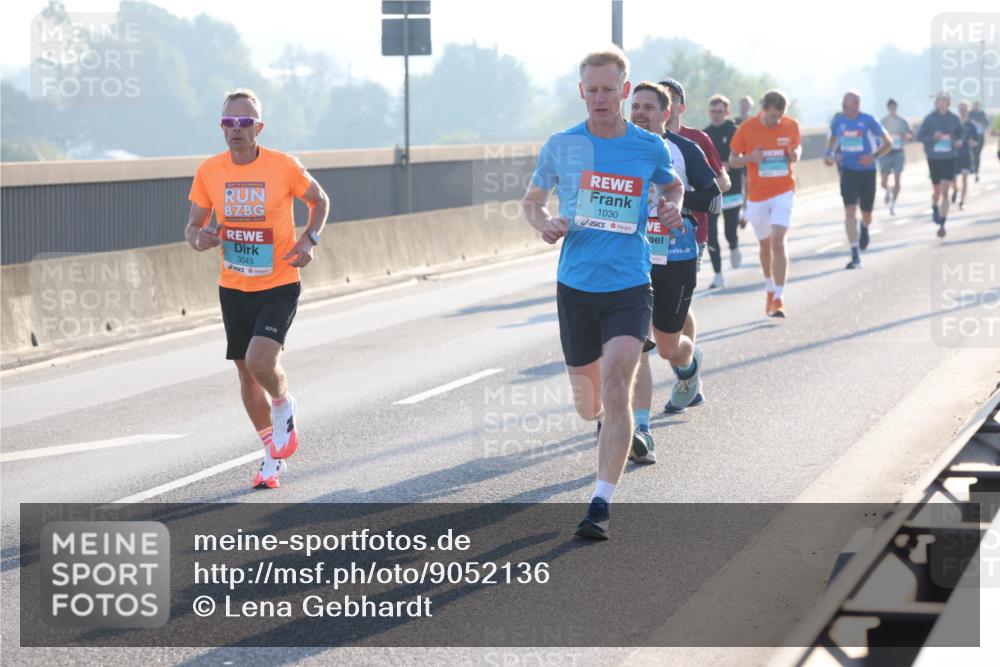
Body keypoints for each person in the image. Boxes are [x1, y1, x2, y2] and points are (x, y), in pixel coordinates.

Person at [522, 49, 683, 540]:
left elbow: (671, 187)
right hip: (576, 286)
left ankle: (600, 503)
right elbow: (531, 201)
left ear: (625, 90)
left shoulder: (647, 146)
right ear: (581, 92)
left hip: (630, 284)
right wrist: (544, 223)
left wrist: (672, 207)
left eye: (609, 89)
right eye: (591, 89)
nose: (600, 98)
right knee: (589, 403)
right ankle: (602, 423)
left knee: (618, 389)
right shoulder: (562, 145)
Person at [186, 89, 330, 489]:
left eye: (245, 122)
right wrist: (199, 238)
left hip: (279, 283)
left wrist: (308, 239)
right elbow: (193, 226)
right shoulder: (209, 171)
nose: (237, 129)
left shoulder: (283, 166)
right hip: (233, 287)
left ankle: (284, 404)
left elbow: (319, 200)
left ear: (258, 127)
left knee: (261, 362)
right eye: (229, 123)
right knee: (246, 374)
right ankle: (272, 457)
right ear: (221, 127)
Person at [629, 82, 720, 462]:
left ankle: (690, 360)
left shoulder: (684, 149)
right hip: (631, 260)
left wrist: (675, 205)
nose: (640, 113)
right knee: (636, 345)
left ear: (667, 114)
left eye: (649, 107)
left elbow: (714, 198)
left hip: (677, 257)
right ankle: (640, 429)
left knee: (668, 346)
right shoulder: (620, 148)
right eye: (634, 106)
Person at [729, 90, 801, 318]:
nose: (774, 121)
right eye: (770, 116)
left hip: (784, 191)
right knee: (765, 245)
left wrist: (795, 154)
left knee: (778, 243)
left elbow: (797, 146)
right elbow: (732, 160)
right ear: (763, 108)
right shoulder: (747, 128)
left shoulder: (791, 126)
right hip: (757, 196)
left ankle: (779, 298)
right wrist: (751, 158)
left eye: (778, 117)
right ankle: (770, 286)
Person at [824, 91, 894, 269]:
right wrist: (830, 154)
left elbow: (888, 142)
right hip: (847, 171)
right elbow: (833, 139)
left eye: (847, 105)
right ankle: (855, 255)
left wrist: (873, 157)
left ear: (856, 104)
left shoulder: (869, 120)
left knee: (867, 213)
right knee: (849, 211)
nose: (844, 109)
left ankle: (864, 226)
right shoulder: (838, 121)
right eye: (843, 105)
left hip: (867, 171)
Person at [704, 94, 746, 287]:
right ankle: (718, 274)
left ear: (727, 112)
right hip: (711, 191)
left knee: (729, 231)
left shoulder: (735, 131)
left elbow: (742, 158)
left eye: (719, 111)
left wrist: (730, 164)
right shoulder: (704, 135)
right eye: (712, 111)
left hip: (733, 189)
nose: (716, 115)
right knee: (710, 233)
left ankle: (734, 245)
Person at [917, 92, 964, 238]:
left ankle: (943, 223)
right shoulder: (929, 119)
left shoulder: (954, 118)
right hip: (934, 158)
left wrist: (958, 141)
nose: (940, 103)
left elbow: (962, 134)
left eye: (943, 100)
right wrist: (933, 137)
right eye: (938, 100)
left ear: (948, 102)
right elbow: (919, 136)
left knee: (945, 191)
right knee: (937, 191)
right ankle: (934, 206)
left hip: (949, 157)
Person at [879, 99, 914, 215]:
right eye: (890, 108)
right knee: (883, 181)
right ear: (888, 108)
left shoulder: (902, 121)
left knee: (897, 179)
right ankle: (888, 190)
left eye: (894, 108)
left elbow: (911, 135)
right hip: (885, 153)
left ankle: (893, 204)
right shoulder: (882, 122)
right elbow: (876, 136)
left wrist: (905, 137)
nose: (892, 110)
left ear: (896, 108)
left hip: (898, 152)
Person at [953, 100, 979, 210]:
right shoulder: (954, 123)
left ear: (968, 110)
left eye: (964, 108)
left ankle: (962, 201)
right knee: (952, 178)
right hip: (954, 155)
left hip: (966, 155)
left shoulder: (972, 125)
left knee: (964, 179)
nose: (962, 110)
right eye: (961, 108)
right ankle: (955, 189)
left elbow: (976, 141)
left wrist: (972, 143)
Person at [969, 101, 989, 181]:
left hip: (980, 137)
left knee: (977, 154)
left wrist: (980, 123)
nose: (976, 106)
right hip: (972, 137)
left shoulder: (982, 113)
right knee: (974, 153)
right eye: (975, 104)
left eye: (978, 104)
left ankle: (976, 170)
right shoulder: (970, 113)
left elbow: (986, 124)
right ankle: (974, 170)